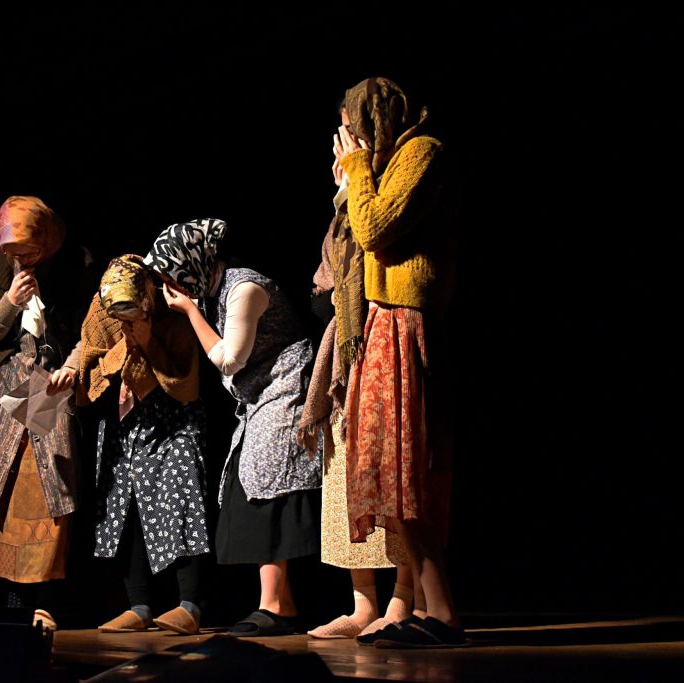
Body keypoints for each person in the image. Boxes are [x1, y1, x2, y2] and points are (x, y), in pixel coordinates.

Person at [147, 219, 321, 637]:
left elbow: (229, 360)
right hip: (260, 395)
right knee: (252, 485)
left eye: (172, 274)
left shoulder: (244, 288)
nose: (171, 286)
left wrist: (190, 312)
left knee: (268, 486)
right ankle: (279, 604)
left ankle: (276, 605)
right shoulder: (216, 291)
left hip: (286, 388)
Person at [336, 77, 463, 648]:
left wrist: (358, 169)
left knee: (408, 468)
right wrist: (352, 181)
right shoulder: (386, 165)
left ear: (373, 119)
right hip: (383, 321)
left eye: (352, 128)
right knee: (389, 470)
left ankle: (442, 611)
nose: (347, 140)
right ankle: (430, 609)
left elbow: (373, 228)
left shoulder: (422, 152)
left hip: (407, 321)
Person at [300, 115, 415, 639]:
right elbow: (329, 280)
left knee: (390, 476)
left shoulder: (383, 196)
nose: (338, 160)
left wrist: (355, 188)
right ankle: (363, 603)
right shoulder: (344, 211)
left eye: (347, 147)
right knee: (345, 478)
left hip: (381, 339)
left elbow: (375, 251)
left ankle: (404, 598)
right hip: (345, 355)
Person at [0, 196, 91, 631]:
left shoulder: (72, 266)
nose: (21, 258)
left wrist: (71, 367)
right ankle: (7, 603)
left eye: (29, 250)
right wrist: (11, 301)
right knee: (1, 492)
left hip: (47, 383)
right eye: (13, 251)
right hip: (5, 385)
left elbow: (88, 334)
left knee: (49, 492)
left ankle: (44, 602)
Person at [77, 255, 211, 635]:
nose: (125, 319)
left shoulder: (169, 310)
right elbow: (91, 362)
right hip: (125, 421)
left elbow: (186, 381)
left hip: (173, 417)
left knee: (181, 499)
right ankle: (138, 606)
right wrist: (122, 349)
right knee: (125, 507)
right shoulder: (101, 312)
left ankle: (189, 604)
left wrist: (149, 342)